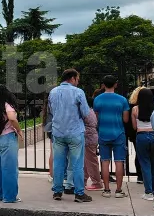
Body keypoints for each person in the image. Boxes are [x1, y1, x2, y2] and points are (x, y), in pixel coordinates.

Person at [48, 69, 92, 202]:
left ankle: (57, 191)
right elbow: (85, 112)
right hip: (75, 132)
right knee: (77, 164)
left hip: (58, 132)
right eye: (77, 79)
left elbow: (51, 110)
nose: (78, 81)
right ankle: (79, 193)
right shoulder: (78, 92)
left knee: (59, 163)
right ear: (72, 78)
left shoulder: (53, 92)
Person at [0, 85, 24, 202]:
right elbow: (12, 118)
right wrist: (18, 130)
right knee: (9, 169)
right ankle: (9, 197)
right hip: (7, 138)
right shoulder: (7, 105)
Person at [93, 75, 130, 198]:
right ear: (116, 84)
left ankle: (106, 190)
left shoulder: (97, 99)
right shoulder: (122, 100)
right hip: (119, 134)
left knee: (104, 161)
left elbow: (96, 118)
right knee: (119, 161)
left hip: (103, 133)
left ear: (103, 85)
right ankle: (119, 190)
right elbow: (125, 119)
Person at [132, 88, 154, 201]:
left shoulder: (135, 109)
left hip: (141, 136)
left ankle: (148, 192)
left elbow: (134, 127)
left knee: (145, 164)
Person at [83, 93, 102, 191]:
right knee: (87, 161)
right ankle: (83, 180)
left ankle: (97, 183)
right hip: (92, 138)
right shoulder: (91, 112)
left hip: (88, 139)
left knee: (91, 161)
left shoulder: (86, 112)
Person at [127, 86, 143, 184]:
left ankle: (140, 175)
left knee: (139, 154)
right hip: (143, 132)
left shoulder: (131, 107)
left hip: (135, 134)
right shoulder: (150, 106)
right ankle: (143, 175)